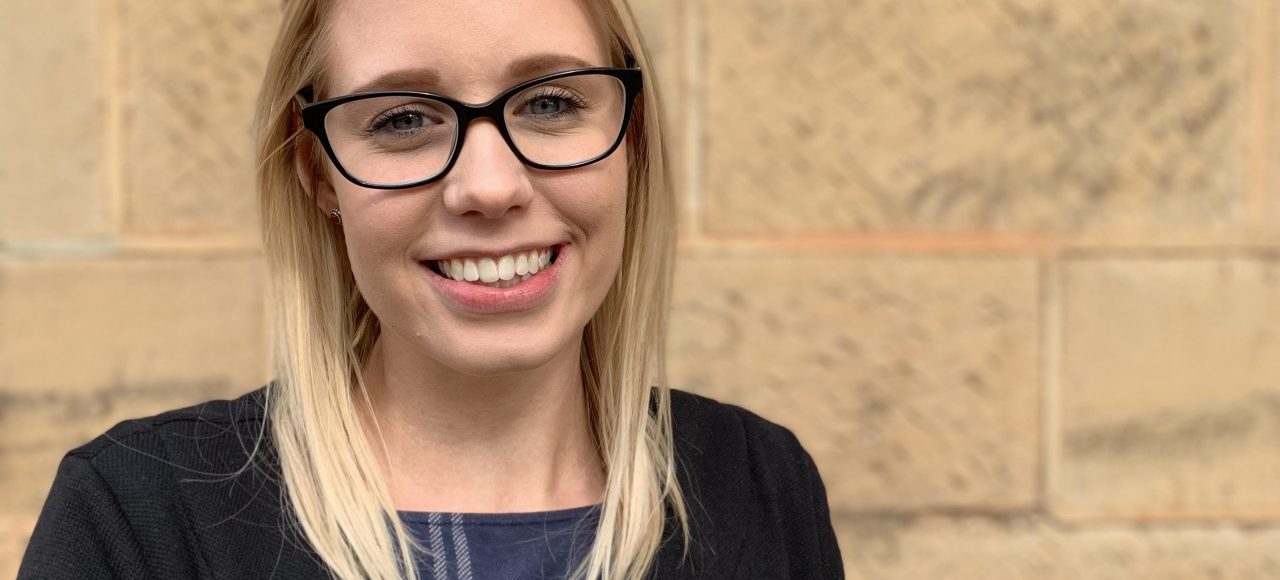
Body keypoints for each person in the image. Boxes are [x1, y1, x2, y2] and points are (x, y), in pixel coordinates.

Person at [18, 0, 843, 578]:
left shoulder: (758, 487)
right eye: (403, 119)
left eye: (551, 102)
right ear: (317, 171)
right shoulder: (139, 519)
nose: (489, 186)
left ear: (633, 138)